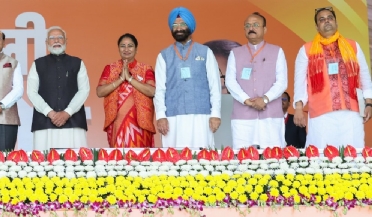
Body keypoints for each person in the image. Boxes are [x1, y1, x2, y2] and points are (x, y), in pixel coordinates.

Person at [294, 6, 372, 148]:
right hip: (321, 115)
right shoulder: (306, 50)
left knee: (353, 155)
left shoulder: (353, 46)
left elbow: (365, 77)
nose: (327, 21)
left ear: (336, 23)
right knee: (322, 156)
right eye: (322, 20)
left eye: (330, 18)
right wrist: (299, 107)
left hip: (351, 113)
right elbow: (299, 82)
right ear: (317, 27)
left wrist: (369, 103)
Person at [154, 7, 222, 149]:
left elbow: (214, 85)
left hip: (202, 116)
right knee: (173, 160)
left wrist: (215, 114)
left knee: (203, 158)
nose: (178, 28)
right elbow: (159, 89)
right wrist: (160, 116)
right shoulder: (164, 55)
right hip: (172, 118)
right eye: (175, 25)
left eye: (183, 24)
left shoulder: (205, 52)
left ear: (190, 26)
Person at [225, 12, 288, 149]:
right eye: (247, 25)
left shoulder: (277, 51)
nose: (251, 28)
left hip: (271, 116)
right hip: (243, 118)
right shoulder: (235, 53)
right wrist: (247, 101)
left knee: (273, 158)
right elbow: (230, 81)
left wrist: (264, 99)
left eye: (255, 25)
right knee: (243, 158)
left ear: (265, 29)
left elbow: (282, 82)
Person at [27, 26, 90, 150]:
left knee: (78, 164)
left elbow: (84, 90)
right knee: (43, 165)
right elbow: (31, 92)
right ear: (46, 43)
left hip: (74, 122)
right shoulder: (38, 64)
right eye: (52, 38)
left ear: (66, 41)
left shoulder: (77, 63)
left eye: (60, 37)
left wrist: (67, 113)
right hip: (44, 123)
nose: (56, 40)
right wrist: (50, 113)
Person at [96, 33, 155, 148]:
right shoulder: (110, 68)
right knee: (118, 160)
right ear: (118, 49)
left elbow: (151, 91)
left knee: (141, 161)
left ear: (136, 49)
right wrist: (121, 79)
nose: (126, 49)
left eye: (130, 46)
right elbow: (100, 92)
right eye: (123, 46)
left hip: (141, 125)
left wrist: (130, 79)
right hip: (116, 123)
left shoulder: (146, 69)